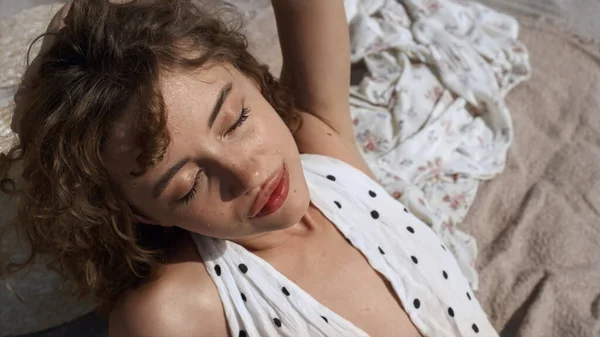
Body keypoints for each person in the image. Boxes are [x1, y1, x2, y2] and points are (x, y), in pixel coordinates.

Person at [0, 1, 498, 336]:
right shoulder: (176, 311)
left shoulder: (326, 154)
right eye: (189, 184)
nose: (247, 171)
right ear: (144, 215)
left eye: (235, 119)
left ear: (254, 78)